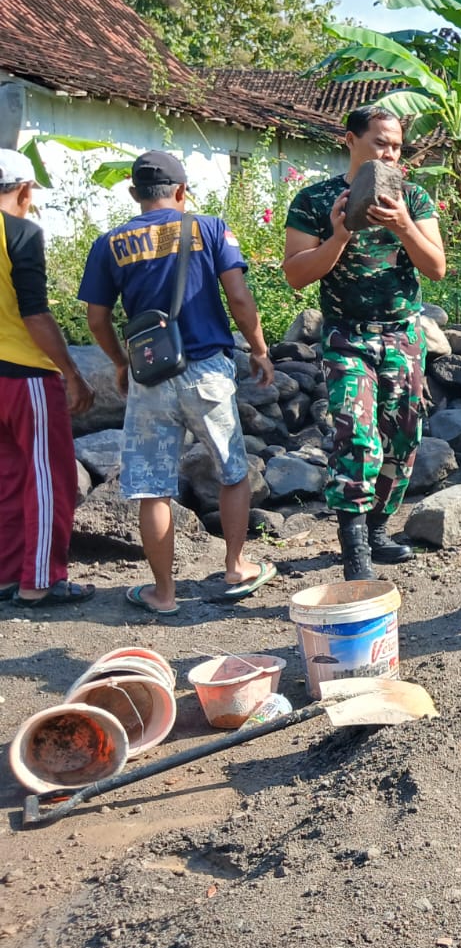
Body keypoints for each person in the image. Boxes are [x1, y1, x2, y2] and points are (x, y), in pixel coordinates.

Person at [79, 151, 276, 614]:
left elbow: (95, 319)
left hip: (151, 373)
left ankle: (163, 593)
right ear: (182, 191)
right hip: (207, 368)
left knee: (152, 487)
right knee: (231, 471)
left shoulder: (110, 243)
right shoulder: (208, 229)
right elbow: (240, 298)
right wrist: (261, 350)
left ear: (134, 194)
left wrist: (120, 362)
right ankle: (236, 566)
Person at [283, 107, 446, 581]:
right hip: (345, 334)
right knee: (354, 433)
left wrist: (403, 226)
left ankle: (377, 529)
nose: (390, 152)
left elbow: (436, 267)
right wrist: (340, 235)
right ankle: (354, 548)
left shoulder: (412, 197)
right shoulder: (316, 199)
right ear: (350, 140)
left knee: (405, 435)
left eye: (396, 145)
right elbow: (296, 274)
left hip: (402, 333)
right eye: (380, 143)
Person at [0, 150, 97, 607]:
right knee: (46, 476)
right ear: (22, 191)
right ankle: (39, 580)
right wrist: (71, 371)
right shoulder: (20, 233)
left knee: (6, 478)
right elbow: (34, 313)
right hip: (24, 375)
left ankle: (6, 575)